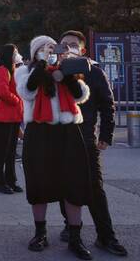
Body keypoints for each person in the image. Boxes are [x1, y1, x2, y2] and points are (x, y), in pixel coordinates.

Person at [15, 35, 93, 260]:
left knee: (74, 182)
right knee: (39, 182)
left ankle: (75, 238)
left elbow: (81, 95)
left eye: (50, 48)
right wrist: (41, 65)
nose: (47, 51)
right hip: (39, 131)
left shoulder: (68, 67)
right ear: (34, 53)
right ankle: (40, 233)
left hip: (68, 130)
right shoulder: (26, 71)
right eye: (42, 49)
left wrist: (65, 75)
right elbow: (27, 92)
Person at [57, 30, 128, 256]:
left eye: (72, 45)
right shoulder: (53, 74)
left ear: (83, 50)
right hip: (59, 139)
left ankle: (106, 236)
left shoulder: (95, 73)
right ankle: (71, 227)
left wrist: (106, 136)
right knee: (64, 186)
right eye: (63, 45)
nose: (67, 49)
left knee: (95, 188)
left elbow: (108, 105)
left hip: (86, 139)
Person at [0, 44, 24, 195]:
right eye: (15, 52)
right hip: (4, 117)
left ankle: (11, 180)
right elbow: (2, 90)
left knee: (11, 151)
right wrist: (16, 100)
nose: (17, 54)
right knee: (1, 152)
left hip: (14, 117)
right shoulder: (2, 70)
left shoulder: (14, 69)